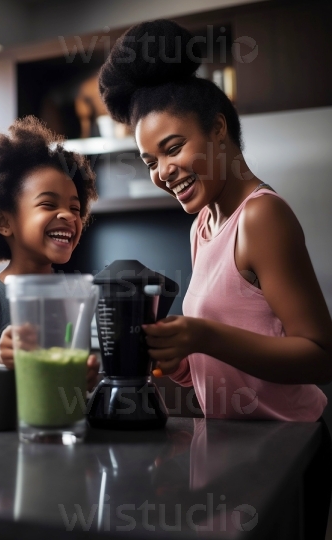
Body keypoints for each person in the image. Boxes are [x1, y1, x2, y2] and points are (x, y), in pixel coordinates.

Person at [98, 19, 332, 538]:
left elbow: (321, 354)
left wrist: (203, 334)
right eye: (149, 160)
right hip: (231, 448)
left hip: (288, 446)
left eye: (173, 147)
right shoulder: (204, 224)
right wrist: (180, 360)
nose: (161, 172)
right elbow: (232, 352)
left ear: (219, 129)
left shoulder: (261, 217)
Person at [0, 116, 99, 402]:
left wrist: (87, 377)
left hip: (62, 435)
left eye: (75, 208)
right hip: (1, 444)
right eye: (48, 204)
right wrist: (0, 360)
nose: (68, 215)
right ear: (5, 222)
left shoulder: (76, 294)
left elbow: (74, 383)